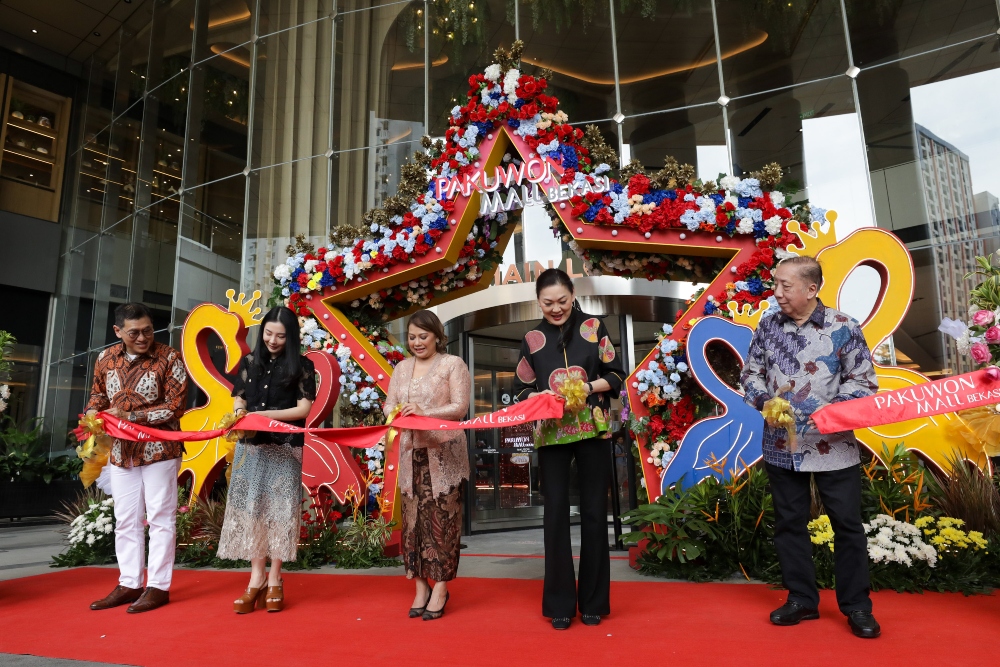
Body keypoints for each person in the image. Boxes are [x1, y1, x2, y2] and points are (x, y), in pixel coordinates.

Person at [740, 255, 881, 639]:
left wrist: (823, 409)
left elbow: (864, 384)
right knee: (789, 525)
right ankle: (801, 599)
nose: (778, 292)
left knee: (848, 526)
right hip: (781, 446)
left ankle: (856, 607)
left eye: (786, 285)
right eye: (776, 283)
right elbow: (750, 375)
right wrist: (762, 401)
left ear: (811, 289)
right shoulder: (767, 326)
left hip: (833, 446)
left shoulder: (844, 327)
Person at [513, 268, 625, 630]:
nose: (556, 308)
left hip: (593, 430)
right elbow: (519, 389)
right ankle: (560, 603)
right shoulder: (531, 338)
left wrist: (589, 387)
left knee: (595, 513)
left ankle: (593, 601)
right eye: (548, 303)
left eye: (562, 301)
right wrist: (537, 395)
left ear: (573, 294)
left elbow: (617, 375)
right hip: (551, 435)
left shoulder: (594, 328)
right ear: (538, 302)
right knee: (555, 515)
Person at [87, 302, 188, 613]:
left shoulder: (171, 357)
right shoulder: (104, 358)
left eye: (148, 330)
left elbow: (175, 407)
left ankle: (159, 586)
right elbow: (96, 396)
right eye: (134, 333)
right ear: (118, 331)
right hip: (120, 453)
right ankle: (130, 582)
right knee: (126, 520)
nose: (143, 338)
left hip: (159, 451)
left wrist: (128, 415)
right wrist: (93, 413)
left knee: (161, 519)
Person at [217, 306, 316, 613]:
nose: (273, 340)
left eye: (281, 336)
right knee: (253, 511)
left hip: (284, 447)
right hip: (251, 447)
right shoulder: (250, 361)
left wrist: (262, 417)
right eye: (269, 334)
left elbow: (303, 410)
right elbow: (240, 397)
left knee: (280, 512)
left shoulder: (303, 365)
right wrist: (238, 414)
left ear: (291, 337)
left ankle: (275, 578)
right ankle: (255, 578)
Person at [383, 310, 470, 621]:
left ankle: (442, 587)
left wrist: (424, 411)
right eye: (412, 336)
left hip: (443, 455)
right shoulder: (402, 368)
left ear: (437, 336)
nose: (417, 342)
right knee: (413, 526)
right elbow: (388, 403)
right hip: (411, 455)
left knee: (443, 524)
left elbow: (460, 407)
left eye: (423, 336)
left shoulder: (452, 364)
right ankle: (420, 586)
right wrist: (394, 412)